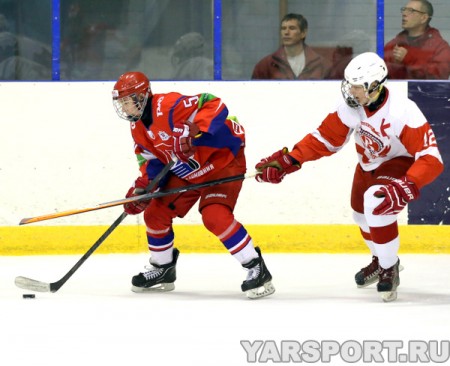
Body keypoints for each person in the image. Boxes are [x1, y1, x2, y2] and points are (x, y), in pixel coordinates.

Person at [254, 52, 444, 302]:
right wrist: (291, 160)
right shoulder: (350, 106)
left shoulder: (402, 111)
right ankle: (380, 259)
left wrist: (407, 184)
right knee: (360, 215)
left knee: (375, 203)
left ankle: (389, 267)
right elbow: (324, 139)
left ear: (375, 86)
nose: (350, 91)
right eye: (349, 84)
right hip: (367, 164)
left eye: (357, 87)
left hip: (398, 163)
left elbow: (432, 158)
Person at [111, 71, 274, 299]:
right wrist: (143, 191)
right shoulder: (137, 129)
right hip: (188, 170)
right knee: (155, 212)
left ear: (142, 97)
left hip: (222, 160)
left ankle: (256, 267)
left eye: (127, 102)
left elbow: (214, 104)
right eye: (121, 103)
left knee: (214, 216)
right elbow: (153, 164)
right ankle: (162, 268)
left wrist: (195, 130)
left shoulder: (168, 105)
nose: (124, 108)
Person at [251, 13, 331, 80]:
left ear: (303, 33)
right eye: (283, 28)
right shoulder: (266, 65)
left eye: (292, 28)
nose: (286, 32)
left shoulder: (322, 64)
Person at [384, 0, 450, 79]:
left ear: (424, 18)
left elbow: (439, 78)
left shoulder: (439, 47)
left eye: (411, 11)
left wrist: (409, 59)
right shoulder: (393, 45)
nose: (404, 14)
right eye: (404, 9)